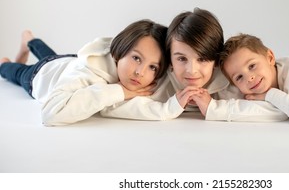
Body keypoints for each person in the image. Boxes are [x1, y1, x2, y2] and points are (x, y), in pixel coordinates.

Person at [101, 8, 287, 122]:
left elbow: (280, 111)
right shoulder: (153, 77)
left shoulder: (234, 79)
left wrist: (214, 109)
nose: (192, 70)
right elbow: (108, 107)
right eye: (181, 59)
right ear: (170, 60)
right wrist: (170, 107)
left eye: (203, 59)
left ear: (215, 61)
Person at [0, 20, 168, 126]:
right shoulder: (85, 74)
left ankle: (28, 40)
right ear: (119, 52)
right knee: (15, 71)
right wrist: (120, 91)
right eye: (137, 58)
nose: (140, 73)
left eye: (153, 67)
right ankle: (7, 60)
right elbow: (50, 115)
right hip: (39, 74)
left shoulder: (133, 75)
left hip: (66, 62)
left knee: (51, 56)